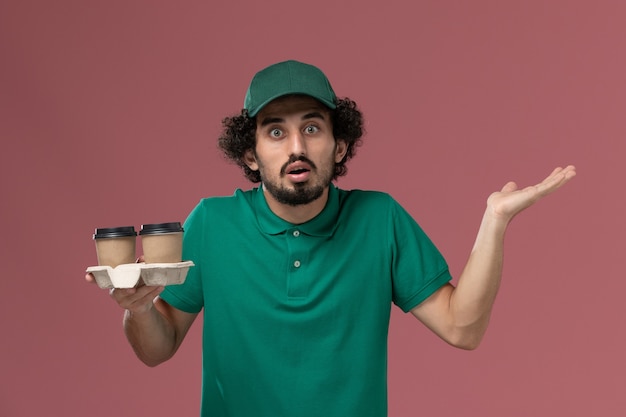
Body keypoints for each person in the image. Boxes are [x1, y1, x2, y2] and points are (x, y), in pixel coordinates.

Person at [86, 60, 576, 416]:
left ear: (339, 145)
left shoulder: (379, 218)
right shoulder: (211, 223)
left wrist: (495, 222)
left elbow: (462, 329)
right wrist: (139, 308)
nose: (297, 146)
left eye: (312, 128)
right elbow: (156, 348)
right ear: (251, 154)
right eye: (275, 132)